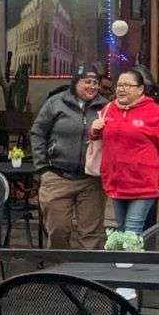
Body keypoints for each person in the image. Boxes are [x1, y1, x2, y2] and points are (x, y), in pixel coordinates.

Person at [29, 64, 108, 249]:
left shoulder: (105, 107)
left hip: (91, 180)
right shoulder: (56, 103)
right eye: (87, 81)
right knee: (58, 229)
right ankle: (59, 266)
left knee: (91, 234)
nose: (92, 86)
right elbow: (37, 133)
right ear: (75, 82)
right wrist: (43, 167)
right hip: (57, 176)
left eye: (95, 82)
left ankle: (88, 267)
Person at [91, 68, 159, 234]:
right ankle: (136, 252)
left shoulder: (155, 112)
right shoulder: (109, 109)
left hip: (143, 184)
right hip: (116, 182)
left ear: (140, 89)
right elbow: (99, 139)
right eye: (119, 85)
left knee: (132, 231)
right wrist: (94, 130)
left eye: (127, 85)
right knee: (122, 229)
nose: (121, 89)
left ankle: (130, 253)